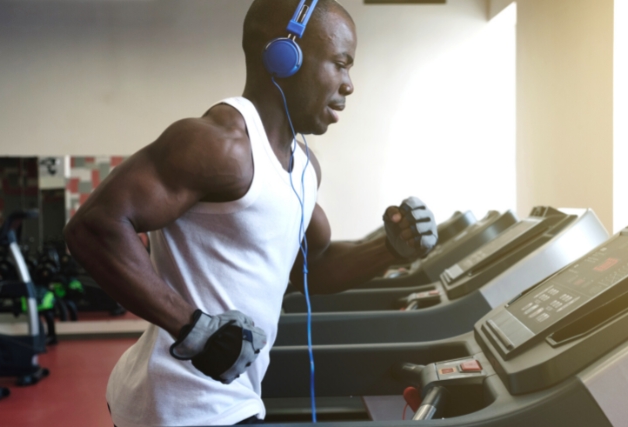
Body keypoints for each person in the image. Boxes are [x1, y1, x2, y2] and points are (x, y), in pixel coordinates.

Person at [64, 0, 438, 426]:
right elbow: (94, 227)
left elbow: (310, 266)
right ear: (284, 56)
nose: (349, 84)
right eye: (339, 63)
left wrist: (389, 250)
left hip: (232, 395)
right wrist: (193, 327)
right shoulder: (221, 145)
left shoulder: (302, 165)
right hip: (182, 404)